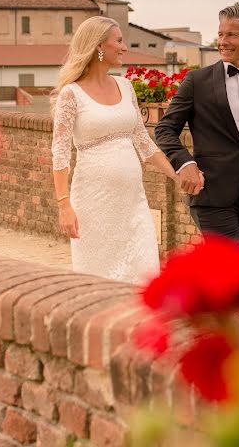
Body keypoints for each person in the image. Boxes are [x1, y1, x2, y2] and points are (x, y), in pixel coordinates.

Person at [50, 16, 201, 284]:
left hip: (133, 203)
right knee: (98, 283)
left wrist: (177, 174)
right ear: (98, 46)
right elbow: (60, 154)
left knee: (144, 275)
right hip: (93, 204)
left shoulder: (125, 86)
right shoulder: (71, 95)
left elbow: (144, 143)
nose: (124, 47)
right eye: (118, 41)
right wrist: (64, 206)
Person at [155, 5, 239, 245]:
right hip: (210, 195)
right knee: (235, 265)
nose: (222, 41)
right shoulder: (197, 81)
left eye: (231, 35)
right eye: (220, 34)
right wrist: (185, 162)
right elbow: (165, 129)